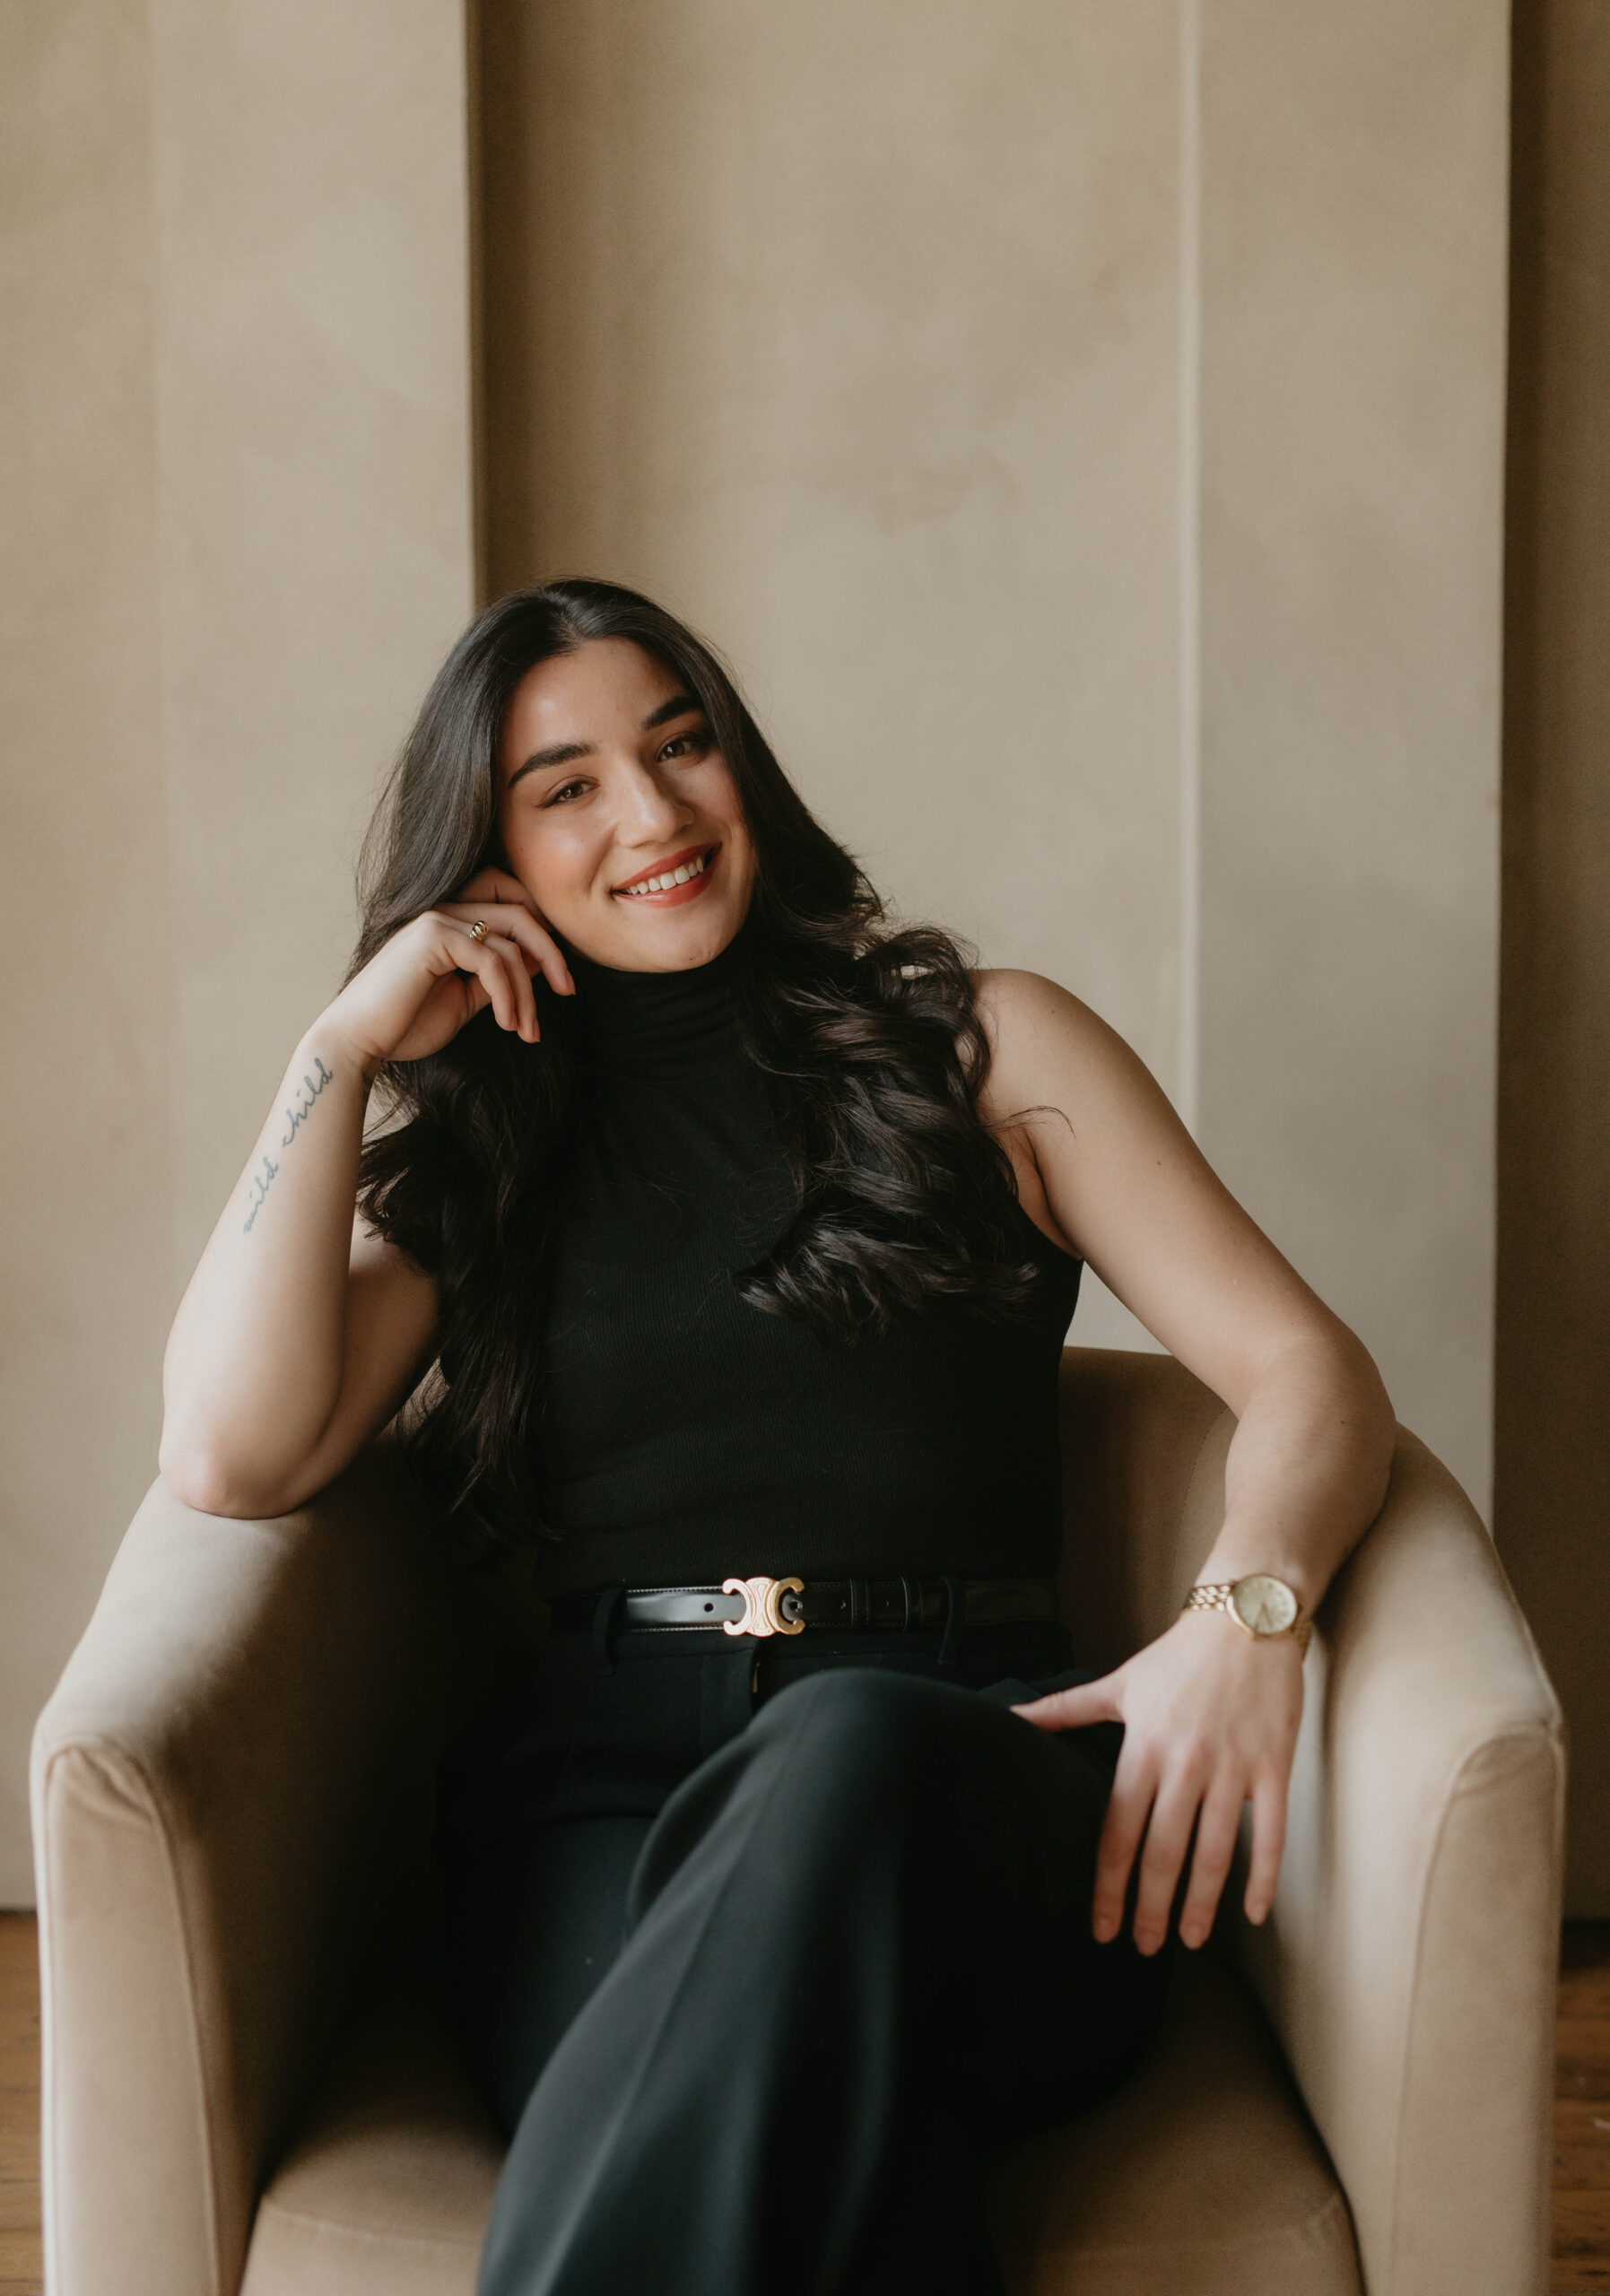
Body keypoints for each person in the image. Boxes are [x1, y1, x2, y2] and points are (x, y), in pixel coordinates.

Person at [159, 579, 1395, 2295]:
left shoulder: (979, 1049)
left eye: (683, 747)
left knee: (840, 1760)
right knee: (802, 2152)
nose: (653, 814)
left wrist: (1244, 1614)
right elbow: (234, 1455)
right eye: (568, 784)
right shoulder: (499, 1161)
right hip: (598, 1809)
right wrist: (340, 1045)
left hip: (969, 1776)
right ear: (487, 857)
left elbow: (1310, 1369)